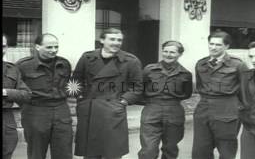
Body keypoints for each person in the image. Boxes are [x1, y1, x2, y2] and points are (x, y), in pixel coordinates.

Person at [72, 28, 143, 159]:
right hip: (89, 109)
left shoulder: (130, 61)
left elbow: (136, 87)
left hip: (113, 110)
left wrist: (122, 102)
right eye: (112, 39)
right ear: (102, 40)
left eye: (119, 40)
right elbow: (74, 82)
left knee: (113, 152)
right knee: (91, 153)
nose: (116, 43)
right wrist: (81, 98)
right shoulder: (87, 57)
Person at [17, 33, 73, 159]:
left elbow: (69, 85)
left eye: (56, 47)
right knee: (36, 152)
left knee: (64, 151)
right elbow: (18, 89)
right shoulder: (24, 65)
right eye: (49, 47)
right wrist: (29, 105)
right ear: (37, 47)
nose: (54, 50)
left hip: (61, 110)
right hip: (35, 111)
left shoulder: (64, 64)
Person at [192, 30, 246, 159]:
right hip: (204, 108)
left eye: (218, 45)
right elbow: (200, 86)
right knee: (200, 149)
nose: (213, 47)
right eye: (211, 44)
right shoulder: (201, 64)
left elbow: (245, 90)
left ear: (226, 46)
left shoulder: (237, 64)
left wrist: (240, 110)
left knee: (226, 149)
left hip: (227, 108)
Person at [138, 41, 193, 159]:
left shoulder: (186, 74)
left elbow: (186, 94)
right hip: (152, 110)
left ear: (180, 54)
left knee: (170, 148)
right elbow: (139, 89)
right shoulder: (149, 70)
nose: (168, 54)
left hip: (174, 111)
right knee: (148, 150)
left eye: (172, 52)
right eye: (165, 51)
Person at [3, 34, 31, 159]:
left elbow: (26, 94)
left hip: (6, 117)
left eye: (3, 46)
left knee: (7, 150)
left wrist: (5, 92)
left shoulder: (12, 69)